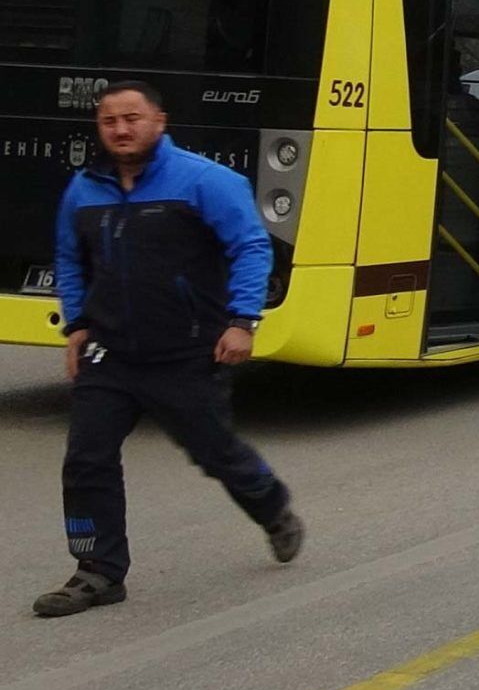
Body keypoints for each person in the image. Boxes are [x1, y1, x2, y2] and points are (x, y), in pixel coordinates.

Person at [38, 81, 303, 618]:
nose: (121, 129)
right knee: (86, 460)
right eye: (110, 121)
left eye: (132, 118)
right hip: (110, 353)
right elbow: (69, 258)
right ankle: (98, 572)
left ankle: (271, 507)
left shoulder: (205, 181)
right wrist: (77, 326)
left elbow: (251, 246)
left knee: (215, 453)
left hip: (186, 354)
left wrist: (243, 321)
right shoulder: (84, 188)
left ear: (158, 120)